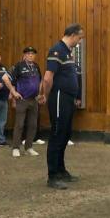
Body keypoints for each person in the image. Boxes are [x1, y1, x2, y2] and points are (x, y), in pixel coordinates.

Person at [39, 24, 85, 189]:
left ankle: (61, 171)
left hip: (67, 99)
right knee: (57, 135)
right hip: (58, 97)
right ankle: (52, 176)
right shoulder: (56, 50)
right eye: (79, 38)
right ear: (72, 35)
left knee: (65, 135)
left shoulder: (67, 52)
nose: (79, 41)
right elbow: (47, 77)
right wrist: (45, 94)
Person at [9, 46, 42, 158]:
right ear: (24, 55)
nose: (31, 55)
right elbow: (9, 80)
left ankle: (29, 147)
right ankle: (16, 148)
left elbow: (40, 81)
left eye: (32, 53)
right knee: (19, 124)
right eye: (28, 53)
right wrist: (14, 93)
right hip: (22, 99)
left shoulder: (36, 66)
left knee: (33, 125)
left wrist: (40, 93)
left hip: (34, 100)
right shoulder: (19, 66)